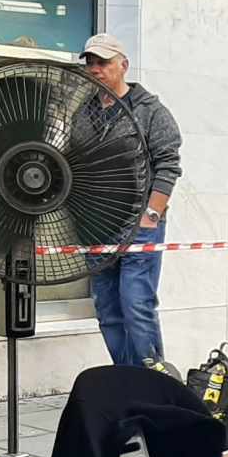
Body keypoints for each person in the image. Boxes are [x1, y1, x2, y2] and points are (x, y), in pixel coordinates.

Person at [80, 33, 183, 368]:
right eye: (90, 63)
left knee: (136, 305)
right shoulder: (84, 113)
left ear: (123, 65)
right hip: (96, 227)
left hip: (139, 226)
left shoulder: (151, 111)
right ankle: (127, 379)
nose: (96, 69)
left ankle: (153, 381)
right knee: (108, 309)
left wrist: (151, 215)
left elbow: (168, 163)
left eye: (103, 63)